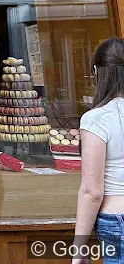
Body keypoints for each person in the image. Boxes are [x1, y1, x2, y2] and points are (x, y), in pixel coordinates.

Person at [71, 38, 124, 264]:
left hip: (118, 220)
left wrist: (79, 248)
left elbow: (92, 192)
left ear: (96, 72)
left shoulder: (97, 119)